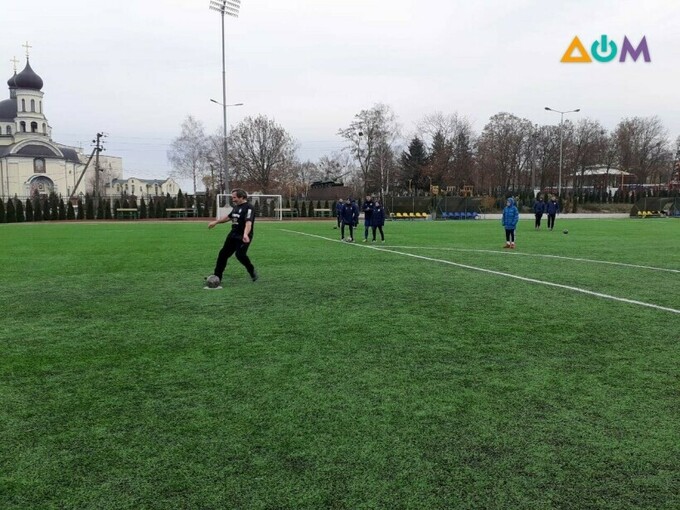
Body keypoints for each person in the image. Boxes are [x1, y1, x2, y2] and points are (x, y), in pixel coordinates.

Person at [208, 188, 258, 283]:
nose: (233, 199)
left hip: (243, 236)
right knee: (223, 254)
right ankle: (217, 277)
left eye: (234, 197)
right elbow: (228, 217)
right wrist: (216, 222)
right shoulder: (236, 207)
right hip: (233, 235)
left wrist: (245, 234)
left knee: (240, 255)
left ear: (241, 197)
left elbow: (248, 223)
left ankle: (251, 271)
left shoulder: (249, 208)